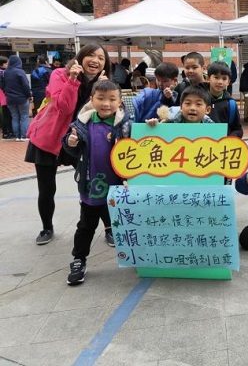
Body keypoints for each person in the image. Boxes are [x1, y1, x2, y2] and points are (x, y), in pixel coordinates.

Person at [26, 43, 111, 245]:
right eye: (91, 55)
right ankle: (47, 227)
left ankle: (109, 228)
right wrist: (72, 80)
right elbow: (64, 108)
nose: (95, 61)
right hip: (48, 138)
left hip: (78, 140)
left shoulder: (102, 82)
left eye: (100, 58)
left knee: (94, 183)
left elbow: (105, 111)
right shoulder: (60, 75)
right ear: (80, 57)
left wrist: (102, 90)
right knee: (46, 189)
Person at [62, 80, 131, 286]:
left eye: (112, 99)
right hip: (91, 186)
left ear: (120, 102)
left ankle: (135, 255)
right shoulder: (82, 124)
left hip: (119, 187)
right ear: (92, 100)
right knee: (86, 226)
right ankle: (78, 260)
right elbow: (70, 147)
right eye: (100, 98)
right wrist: (69, 142)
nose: (106, 103)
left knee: (124, 222)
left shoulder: (126, 126)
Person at [0, 55, 32, 141]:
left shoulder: (5, 72)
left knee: (15, 117)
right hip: (21, 98)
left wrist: (7, 92)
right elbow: (25, 85)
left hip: (10, 99)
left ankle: (17, 136)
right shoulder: (20, 71)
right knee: (24, 116)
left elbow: (2, 84)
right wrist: (29, 95)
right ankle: (23, 136)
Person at [207, 61, 243, 137]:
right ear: (208, 78)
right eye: (216, 77)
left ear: (228, 82)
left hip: (222, 146)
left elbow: (238, 129)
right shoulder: (199, 100)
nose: (220, 82)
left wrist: (231, 137)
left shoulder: (231, 104)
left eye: (224, 79)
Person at [146, 86, 214, 124]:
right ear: (181, 107)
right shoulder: (169, 122)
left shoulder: (211, 127)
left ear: (207, 110)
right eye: (188, 103)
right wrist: (154, 125)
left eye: (198, 104)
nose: (192, 108)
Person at [0, 56, 15, 139]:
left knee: (6, 115)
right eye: (6, 63)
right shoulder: (3, 73)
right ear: (1, 64)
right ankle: (7, 132)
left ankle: (6, 132)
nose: (7, 65)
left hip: (3, 96)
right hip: (5, 96)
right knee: (7, 115)